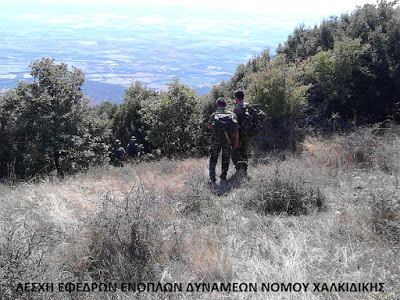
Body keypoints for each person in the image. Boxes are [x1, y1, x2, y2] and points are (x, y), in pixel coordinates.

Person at [207, 98, 239, 183]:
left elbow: (209, 126)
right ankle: (224, 176)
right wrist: (235, 142)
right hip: (228, 141)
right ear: (226, 105)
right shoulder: (232, 115)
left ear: (218, 106)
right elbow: (236, 130)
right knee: (226, 158)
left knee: (213, 158)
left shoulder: (214, 115)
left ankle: (212, 177)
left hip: (216, 140)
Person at [232, 90, 251, 178]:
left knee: (236, 152)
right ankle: (245, 170)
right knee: (245, 152)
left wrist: (235, 139)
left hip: (239, 135)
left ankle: (238, 171)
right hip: (248, 134)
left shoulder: (236, 109)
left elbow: (236, 126)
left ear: (236, 98)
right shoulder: (248, 106)